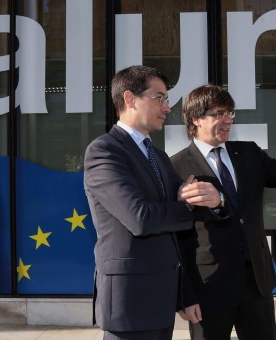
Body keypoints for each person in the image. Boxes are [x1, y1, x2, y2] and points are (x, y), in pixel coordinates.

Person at [170, 84, 276, 340]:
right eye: (219, 114)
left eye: (230, 113)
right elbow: (177, 240)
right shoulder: (175, 166)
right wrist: (185, 296)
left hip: (256, 284)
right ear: (196, 119)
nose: (228, 120)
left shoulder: (248, 152)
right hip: (209, 288)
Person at [84, 66, 224, 340]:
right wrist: (185, 205)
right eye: (159, 98)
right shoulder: (105, 151)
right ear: (129, 99)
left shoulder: (158, 156)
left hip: (161, 300)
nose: (168, 107)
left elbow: (176, 228)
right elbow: (140, 218)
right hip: (130, 304)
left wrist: (205, 198)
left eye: (167, 99)